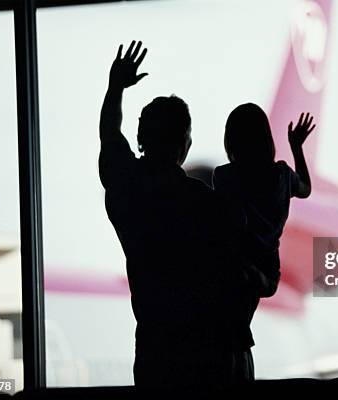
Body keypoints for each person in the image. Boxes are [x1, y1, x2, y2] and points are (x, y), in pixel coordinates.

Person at [98, 41, 250, 390]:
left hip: (154, 348)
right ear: (185, 144)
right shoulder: (206, 203)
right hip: (209, 352)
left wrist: (115, 88)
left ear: (139, 137)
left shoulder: (126, 194)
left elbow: (109, 136)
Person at [212, 103, 315, 368]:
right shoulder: (282, 176)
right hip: (267, 270)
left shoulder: (224, 176)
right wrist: (297, 148)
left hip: (237, 267)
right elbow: (305, 188)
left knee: (229, 336)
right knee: (239, 331)